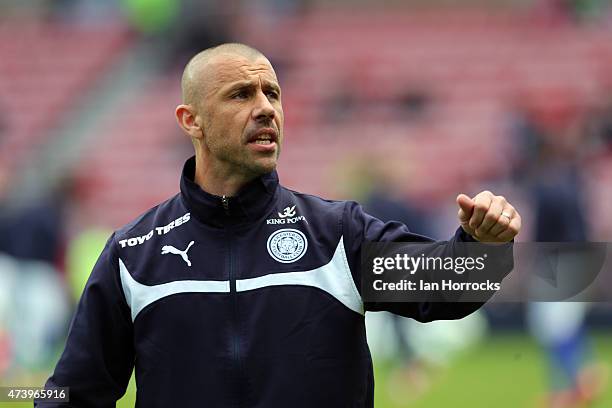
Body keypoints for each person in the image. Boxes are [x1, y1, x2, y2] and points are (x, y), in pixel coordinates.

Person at [38, 43, 521, 407]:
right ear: (192, 120)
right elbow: (73, 392)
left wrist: (481, 244)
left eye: (272, 93)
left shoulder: (337, 233)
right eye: (241, 94)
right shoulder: (134, 254)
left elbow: (441, 290)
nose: (266, 107)